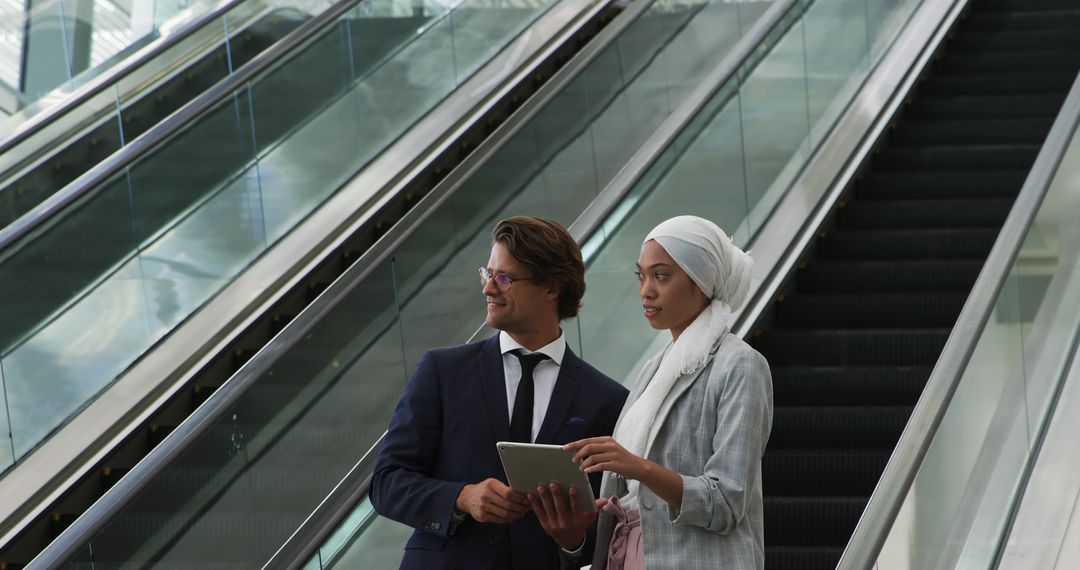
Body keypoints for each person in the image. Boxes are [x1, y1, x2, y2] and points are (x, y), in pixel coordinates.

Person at [370, 216, 629, 570]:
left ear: (551, 287)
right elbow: (386, 483)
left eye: (504, 278)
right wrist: (461, 497)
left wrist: (573, 541)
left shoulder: (608, 400)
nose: (488, 288)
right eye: (487, 274)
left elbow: (609, 525)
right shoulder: (441, 371)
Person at [531, 215, 773, 569]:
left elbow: (726, 502)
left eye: (661, 275)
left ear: (702, 281)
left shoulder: (740, 365)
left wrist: (640, 468)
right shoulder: (653, 369)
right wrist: (583, 527)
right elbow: (634, 498)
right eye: (640, 275)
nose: (646, 289)